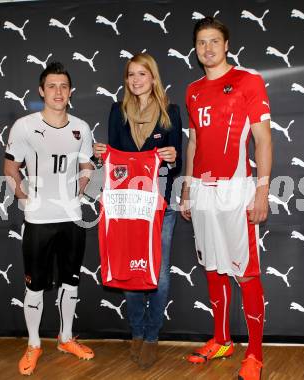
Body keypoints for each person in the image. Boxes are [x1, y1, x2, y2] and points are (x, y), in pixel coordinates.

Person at [180, 17, 272, 380]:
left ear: (227, 44)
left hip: (236, 191)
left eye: (214, 41)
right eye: (201, 42)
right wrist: (186, 189)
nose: (208, 48)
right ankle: (221, 340)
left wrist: (262, 191)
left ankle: (255, 354)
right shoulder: (193, 90)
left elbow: (263, 139)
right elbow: (193, 142)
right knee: (214, 268)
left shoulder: (248, 81)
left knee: (246, 274)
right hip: (202, 192)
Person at [4, 62, 95, 376]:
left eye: (64, 86)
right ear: (42, 91)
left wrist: (79, 190)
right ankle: (33, 344)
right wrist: (24, 197)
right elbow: (10, 169)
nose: (58, 92)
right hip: (39, 221)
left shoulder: (81, 127)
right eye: (52, 86)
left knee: (71, 282)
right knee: (36, 286)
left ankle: (66, 338)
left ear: (71, 92)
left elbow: (87, 166)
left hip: (72, 218)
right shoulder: (25, 126)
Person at [94, 53, 182, 369]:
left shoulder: (171, 112)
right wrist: (98, 155)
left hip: (161, 205)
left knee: (158, 271)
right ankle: (137, 332)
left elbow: (178, 164)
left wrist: (171, 157)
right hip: (128, 205)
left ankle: (153, 336)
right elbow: (113, 160)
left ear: (153, 77)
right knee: (130, 267)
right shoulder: (117, 112)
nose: (136, 79)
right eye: (131, 74)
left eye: (142, 73)